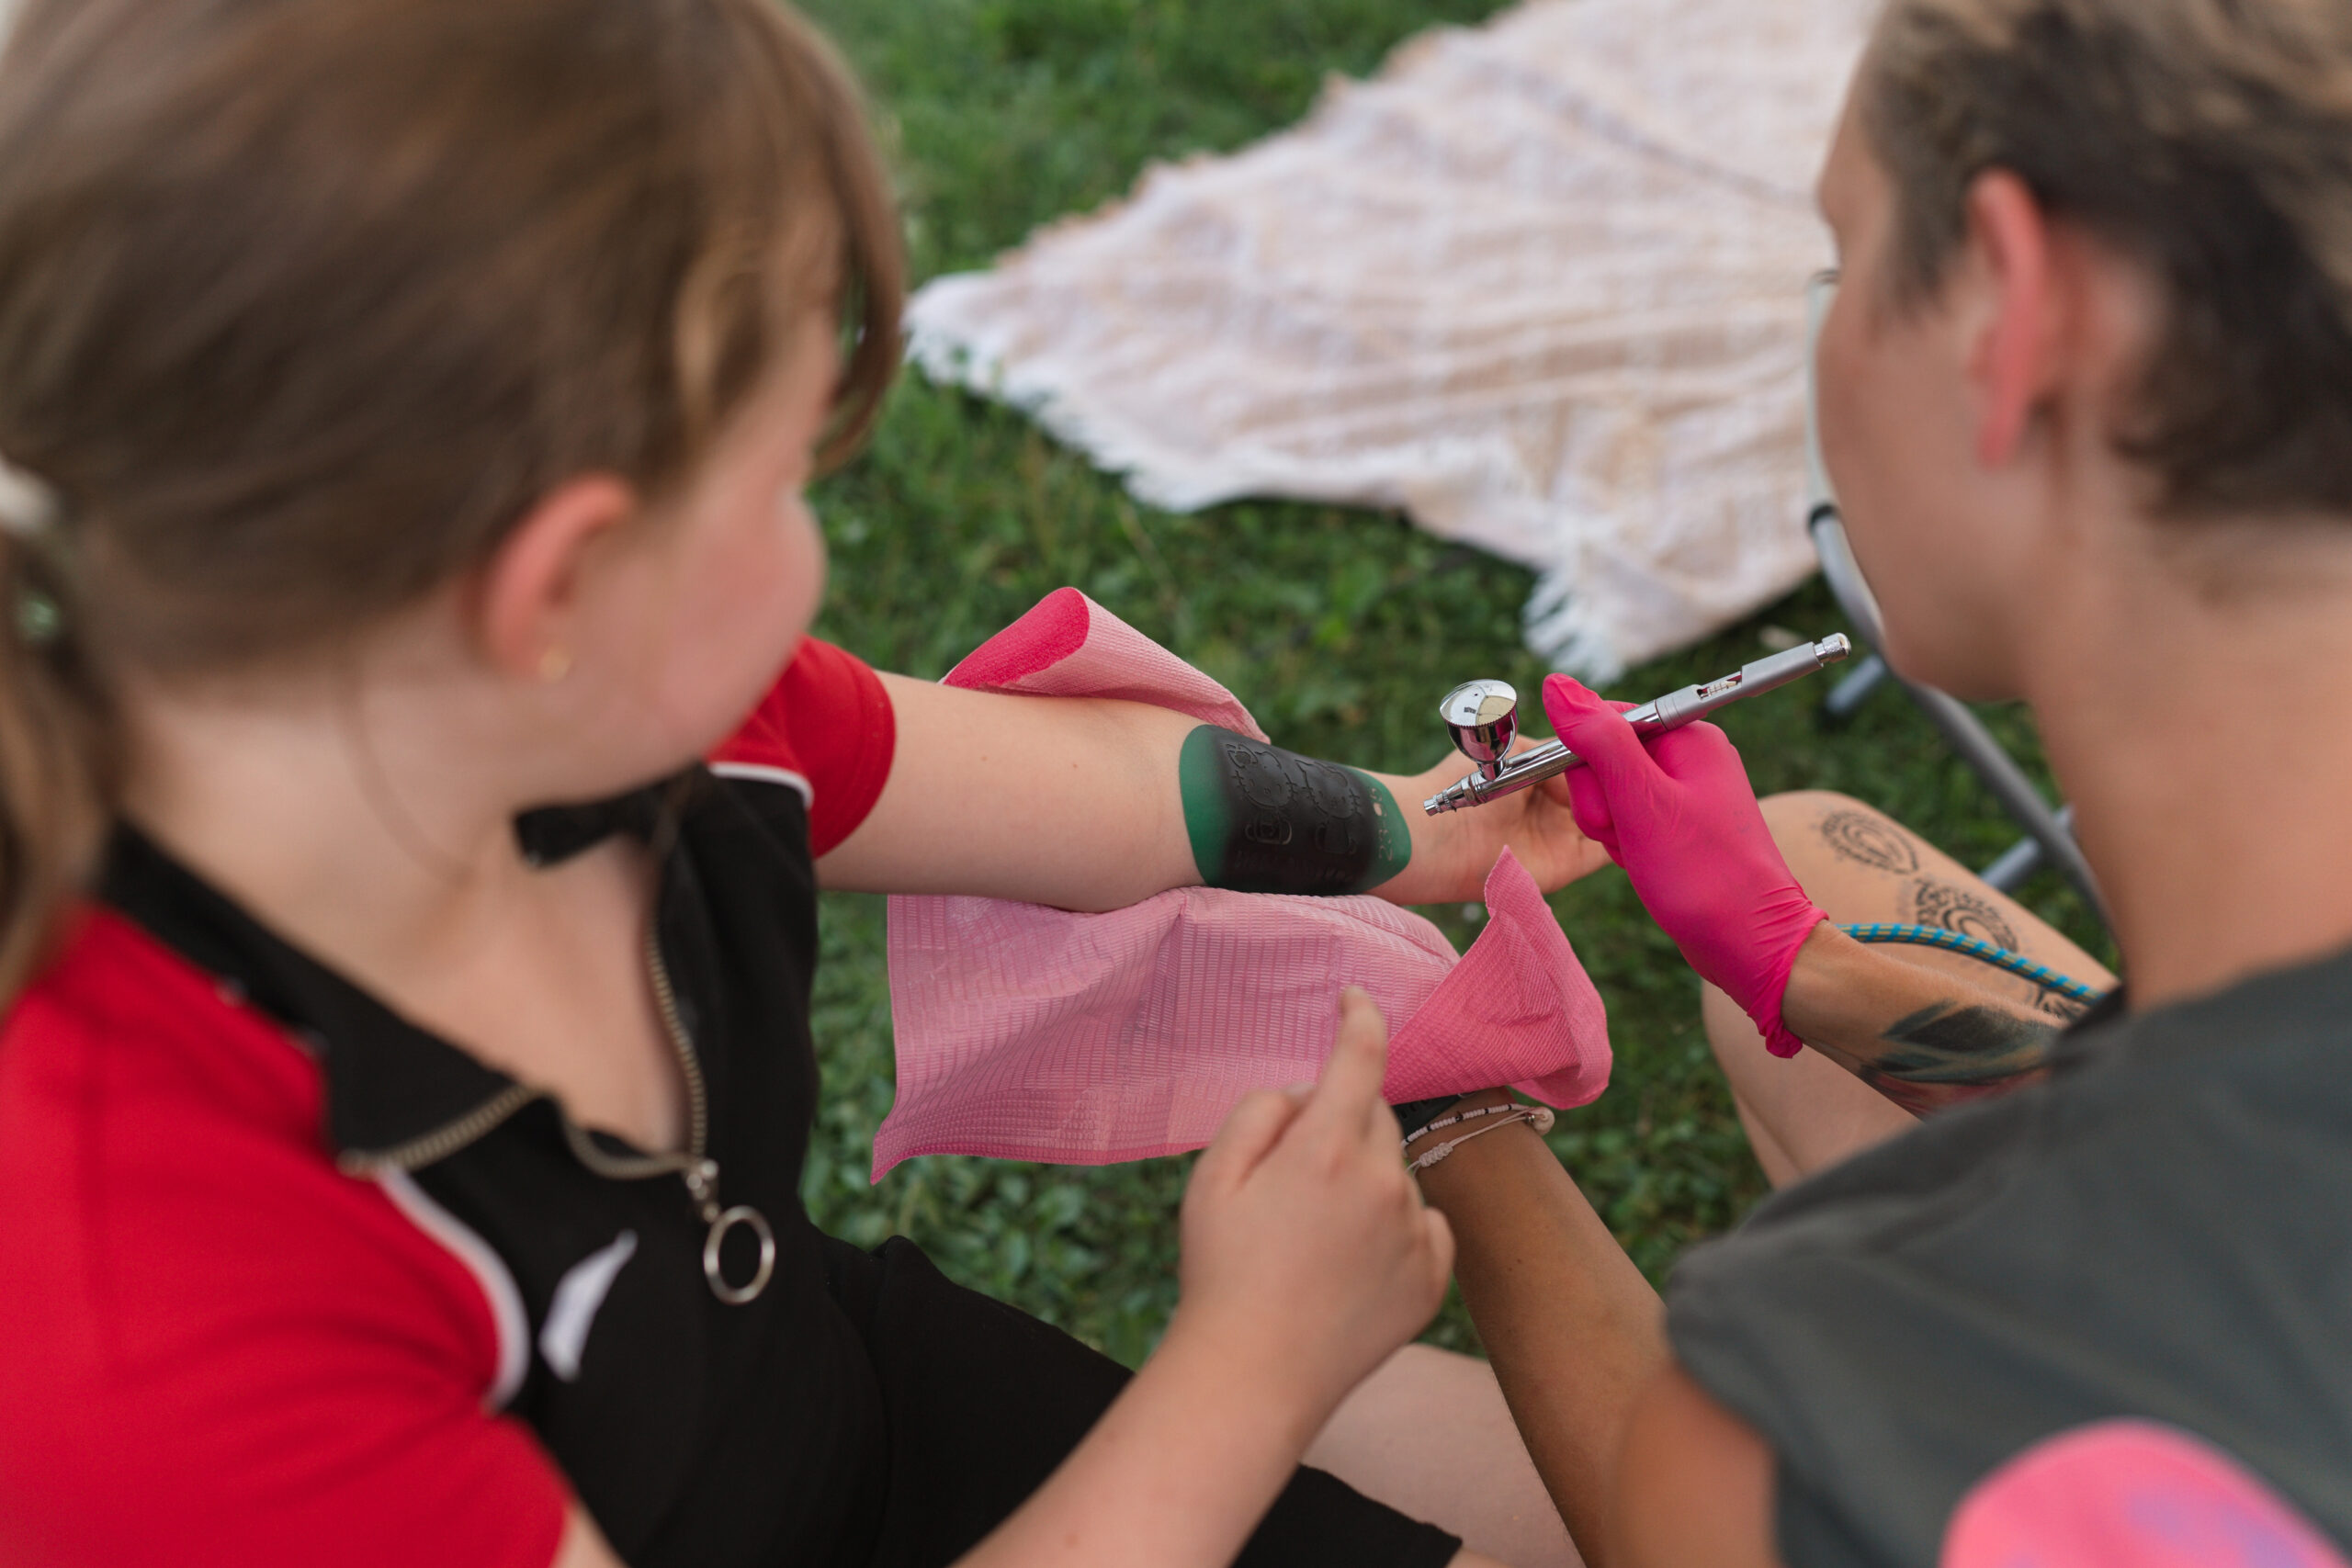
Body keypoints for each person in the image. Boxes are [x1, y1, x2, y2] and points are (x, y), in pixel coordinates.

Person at [0, 3, 1604, 1564]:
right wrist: (1248, 1371)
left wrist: (1408, 827)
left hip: (828, 1406)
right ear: (558, 584)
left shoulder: (590, 702)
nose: (810, 550)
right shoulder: (146, 1326)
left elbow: (1097, 791)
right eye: (783, 483)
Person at [1392, 0, 2352, 1562]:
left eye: (1841, 268)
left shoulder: (1830, 1387)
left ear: (2015, 324)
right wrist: (1796, 959)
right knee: (1818, 853)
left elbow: (1670, 1525)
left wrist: (1453, 1118)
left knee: (1356, 1427)